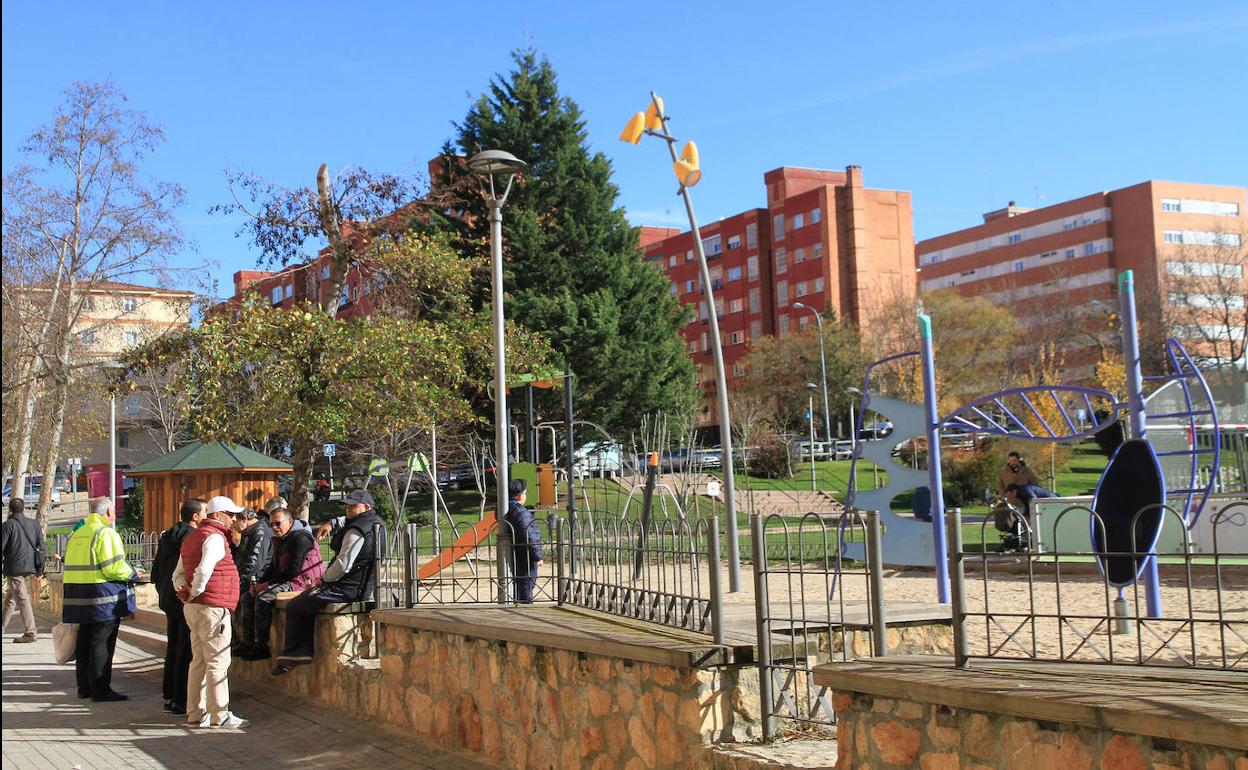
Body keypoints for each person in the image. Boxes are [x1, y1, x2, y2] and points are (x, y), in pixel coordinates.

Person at [273, 489, 384, 675]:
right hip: (363, 585)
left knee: (297, 604)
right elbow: (345, 522)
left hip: (349, 588)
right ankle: (298, 652)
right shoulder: (374, 522)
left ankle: (297, 654)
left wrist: (323, 579)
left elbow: (343, 564)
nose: (348, 509)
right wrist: (332, 523)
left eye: (352, 506)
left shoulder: (357, 530)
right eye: (347, 505)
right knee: (305, 600)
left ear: (366, 507)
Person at [173, 495, 246, 729]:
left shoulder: (192, 537)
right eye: (230, 514)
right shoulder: (214, 538)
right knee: (217, 661)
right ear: (217, 515)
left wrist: (185, 593)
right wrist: (195, 591)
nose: (234, 519)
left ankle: (195, 712)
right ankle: (220, 714)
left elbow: (178, 574)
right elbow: (204, 570)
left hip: (195, 608)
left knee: (199, 662)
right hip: (212, 607)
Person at [62, 497, 142, 701]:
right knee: (102, 643)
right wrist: (132, 572)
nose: (114, 516)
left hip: (77, 596)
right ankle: (100, 689)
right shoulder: (105, 533)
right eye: (113, 512)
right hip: (102, 598)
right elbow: (113, 567)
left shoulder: (78, 533)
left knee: (84, 641)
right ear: (107, 513)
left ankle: (85, 688)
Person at [240, 507, 323, 661]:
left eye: (278, 524)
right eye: (271, 525)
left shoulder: (301, 538)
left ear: (289, 522)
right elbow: (273, 567)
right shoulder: (280, 539)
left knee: (264, 598)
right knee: (247, 597)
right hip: (287, 580)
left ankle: (261, 646)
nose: (274, 528)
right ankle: (247, 642)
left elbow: (293, 571)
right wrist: (259, 584)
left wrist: (265, 586)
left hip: (302, 582)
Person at [150, 498, 205, 715]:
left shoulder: (168, 536)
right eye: (204, 512)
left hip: (167, 596)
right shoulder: (193, 538)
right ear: (195, 516)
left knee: (174, 646)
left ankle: (170, 695)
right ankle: (182, 699)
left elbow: (155, 570)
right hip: (182, 596)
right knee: (186, 648)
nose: (206, 516)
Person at [2, 498, 44, 642]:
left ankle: (31, 632)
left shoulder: (8, 525)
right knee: (11, 600)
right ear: (24, 508)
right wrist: (40, 569)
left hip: (14, 568)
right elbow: (41, 548)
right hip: (29, 567)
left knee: (22, 599)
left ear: (10, 509)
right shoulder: (34, 524)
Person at [231, 508, 272, 655]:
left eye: (234, 521)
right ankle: (239, 640)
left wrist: (240, 580)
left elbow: (255, 562)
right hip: (245, 578)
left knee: (245, 599)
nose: (233, 525)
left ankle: (248, 642)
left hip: (258, 578)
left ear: (244, 519)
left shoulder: (260, 531)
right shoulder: (249, 531)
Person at [504, 479, 543, 604]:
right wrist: (537, 556)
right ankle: (525, 604)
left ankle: (518, 601)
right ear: (520, 495)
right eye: (525, 492)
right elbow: (530, 535)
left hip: (515, 551)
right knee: (527, 581)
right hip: (525, 553)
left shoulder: (506, 509)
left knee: (518, 581)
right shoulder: (521, 512)